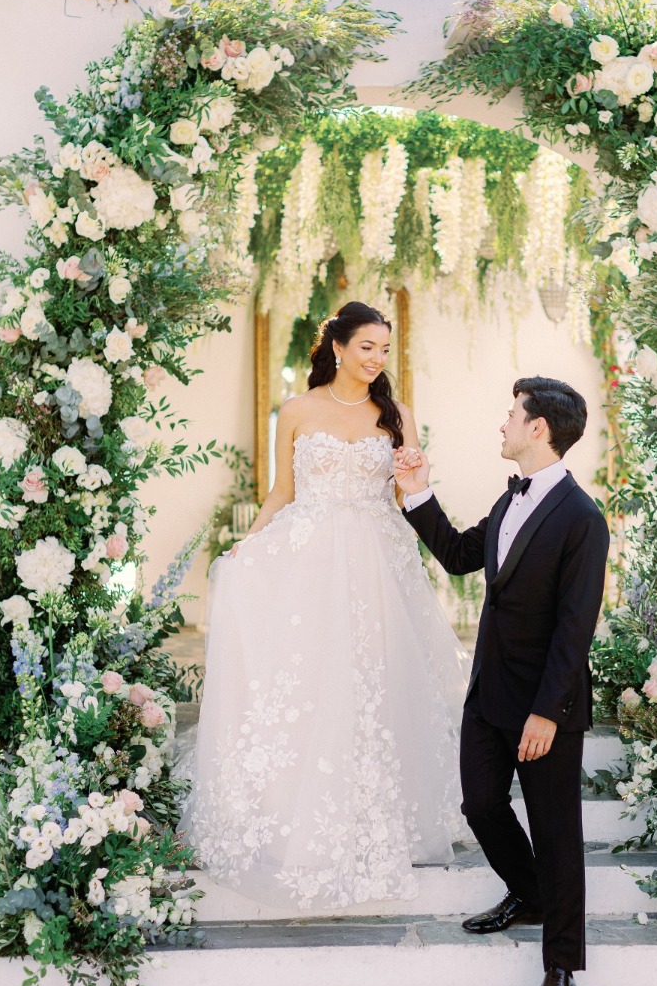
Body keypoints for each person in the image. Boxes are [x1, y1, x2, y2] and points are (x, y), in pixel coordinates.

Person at [180, 301, 469, 912]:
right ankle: (296, 820)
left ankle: (379, 820)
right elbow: (283, 491)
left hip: (374, 563)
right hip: (307, 564)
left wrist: (416, 472)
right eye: (367, 347)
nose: (376, 360)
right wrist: (245, 548)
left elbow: (409, 492)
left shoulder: (396, 416)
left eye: (384, 350)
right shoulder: (296, 410)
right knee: (308, 684)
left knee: (373, 687)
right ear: (337, 346)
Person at [394, 377, 609, 986]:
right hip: (489, 692)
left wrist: (547, 713)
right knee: (481, 804)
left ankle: (560, 972)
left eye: (511, 415)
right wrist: (417, 488)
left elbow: (576, 629)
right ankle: (530, 893)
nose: (503, 425)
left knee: (557, 834)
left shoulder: (582, 519)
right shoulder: (508, 500)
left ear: (538, 428)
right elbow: (460, 554)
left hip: (548, 706)